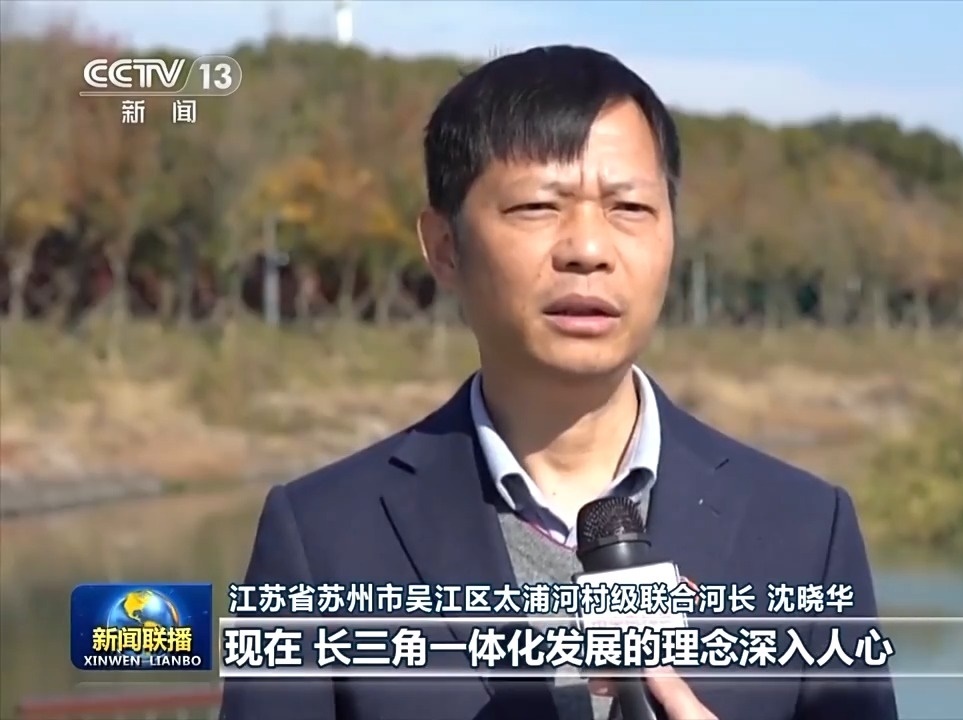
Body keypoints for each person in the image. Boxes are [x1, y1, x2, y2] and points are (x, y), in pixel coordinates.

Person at [220, 45, 898, 720]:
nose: (588, 249)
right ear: (446, 248)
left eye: (628, 208)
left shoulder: (806, 529)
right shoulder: (321, 536)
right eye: (538, 207)